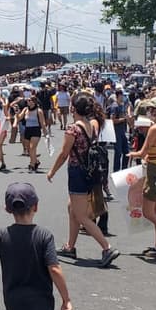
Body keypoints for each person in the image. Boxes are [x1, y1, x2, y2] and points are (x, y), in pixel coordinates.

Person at [45, 95, 120, 268]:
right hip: (90, 172)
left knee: (81, 216)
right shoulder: (92, 125)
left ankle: (107, 248)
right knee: (72, 208)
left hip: (77, 172)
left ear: (73, 109)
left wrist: (51, 171)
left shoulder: (73, 129)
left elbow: (64, 154)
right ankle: (70, 246)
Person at [129, 97, 156, 257]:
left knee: (149, 212)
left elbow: (142, 152)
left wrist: (131, 153)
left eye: (150, 110)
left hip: (155, 170)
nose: (148, 112)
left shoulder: (155, 128)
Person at [18, 95, 46, 172]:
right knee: (28, 149)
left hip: (36, 130)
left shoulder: (39, 111)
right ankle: (36, 161)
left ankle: (32, 164)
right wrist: (17, 112)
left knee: (32, 147)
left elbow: (42, 122)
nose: (28, 102)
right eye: (27, 100)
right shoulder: (25, 109)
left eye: (30, 100)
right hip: (27, 130)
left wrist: (45, 132)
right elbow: (19, 118)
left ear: (34, 102)